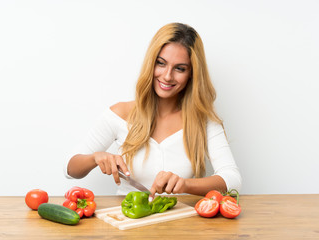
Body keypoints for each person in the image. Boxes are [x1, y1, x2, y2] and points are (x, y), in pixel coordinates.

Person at [65, 22, 241, 198]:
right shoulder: (120, 114)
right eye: (161, 63)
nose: (167, 76)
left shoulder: (203, 121)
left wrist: (185, 184)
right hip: (127, 218)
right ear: (151, 63)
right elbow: (70, 169)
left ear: (192, 74)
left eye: (180, 68)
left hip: (181, 221)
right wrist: (95, 158)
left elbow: (232, 179)